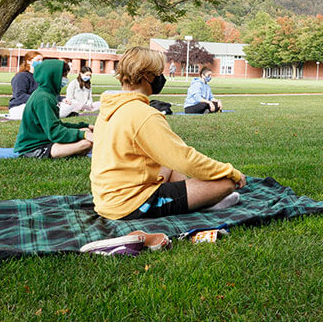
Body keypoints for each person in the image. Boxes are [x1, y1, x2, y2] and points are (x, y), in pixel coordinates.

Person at [91, 47, 246, 220]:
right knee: (226, 183)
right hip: (130, 203)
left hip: (106, 198)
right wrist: (230, 171)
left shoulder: (110, 108)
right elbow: (185, 160)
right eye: (159, 72)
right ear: (148, 76)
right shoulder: (143, 114)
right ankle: (202, 202)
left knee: (168, 164)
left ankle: (198, 199)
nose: (161, 77)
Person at [13, 60, 94, 159]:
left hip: (46, 139)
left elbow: (57, 124)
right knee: (85, 144)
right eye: (64, 75)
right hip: (34, 147)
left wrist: (86, 126)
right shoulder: (43, 99)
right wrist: (83, 135)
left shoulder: (48, 94)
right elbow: (55, 132)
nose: (65, 79)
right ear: (52, 76)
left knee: (86, 132)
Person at [7, 52, 43, 120]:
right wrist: (39, 99)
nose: (41, 62)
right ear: (28, 61)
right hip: (20, 106)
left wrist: (62, 99)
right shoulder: (21, 76)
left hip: (39, 104)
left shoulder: (41, 78)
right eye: (38, 60)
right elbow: (20, 95)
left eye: (42, 60)